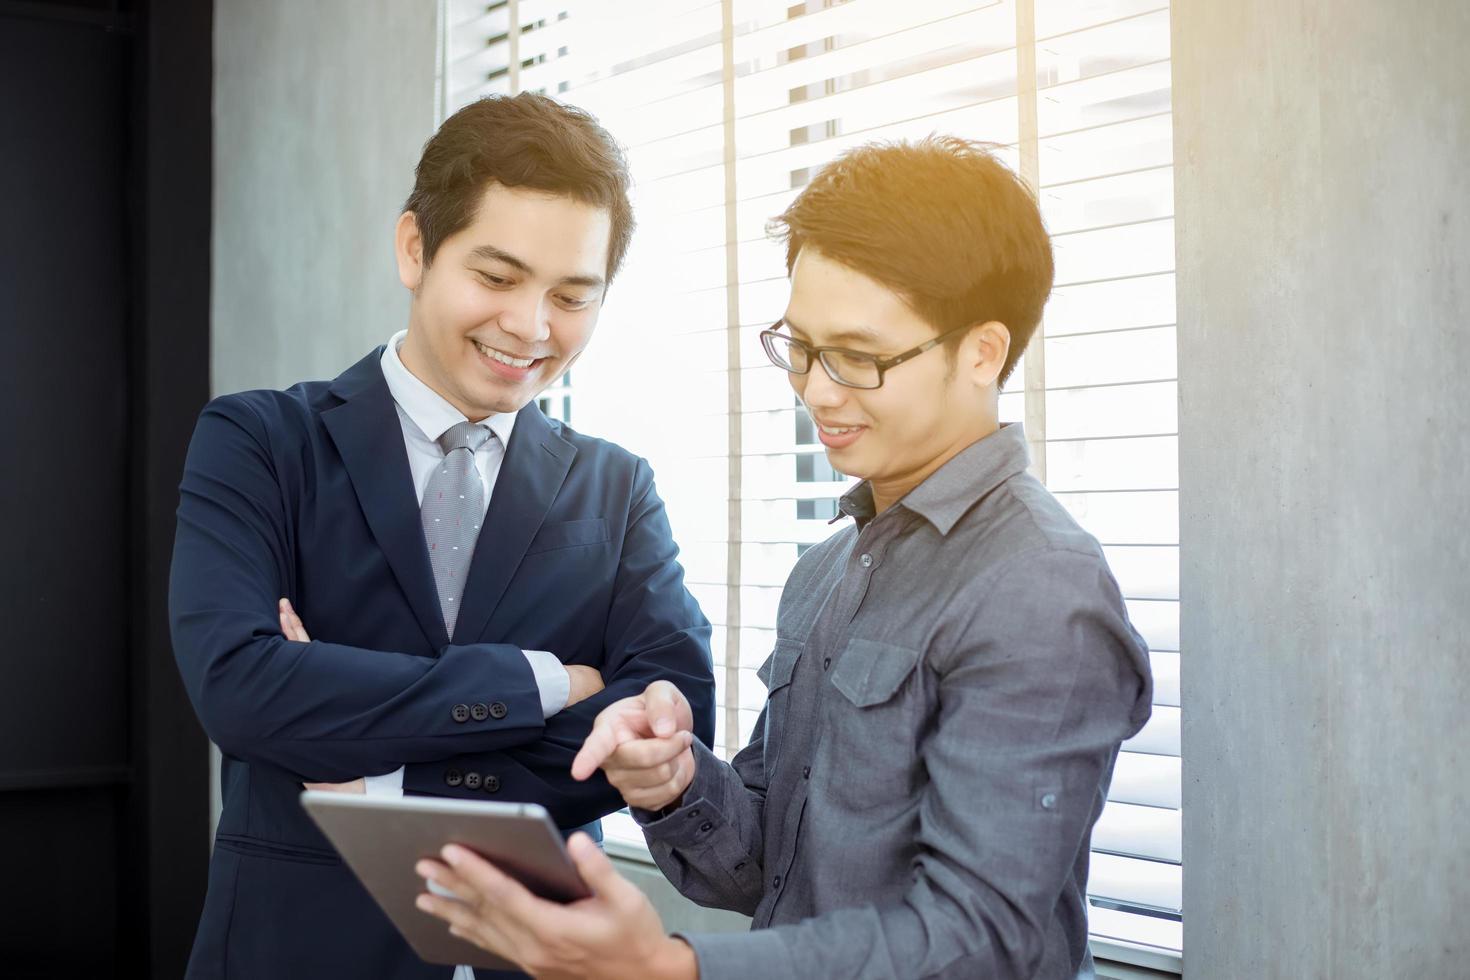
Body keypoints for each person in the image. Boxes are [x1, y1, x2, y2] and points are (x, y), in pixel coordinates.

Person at [413, 137, 1154, 980]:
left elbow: (979, 940)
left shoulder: (1038, 586)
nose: (817, 390)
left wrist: (676, 970)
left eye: (858, 357)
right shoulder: (829, 571)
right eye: (800, 346)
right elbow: (770, 867)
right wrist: (673, 779)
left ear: (982, 352)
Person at [170, 93, 715, 980]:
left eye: (572, 296)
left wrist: (379, 784)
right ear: (414, 248)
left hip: (535, 957)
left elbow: (667, 721)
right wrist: (540, 683)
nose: (531, 328)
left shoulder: (618, 487)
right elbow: (240, 687)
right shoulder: (261, 442)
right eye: (497, 279)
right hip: (291, 950)